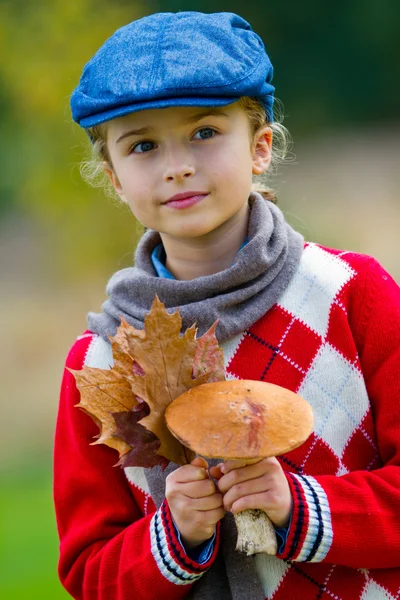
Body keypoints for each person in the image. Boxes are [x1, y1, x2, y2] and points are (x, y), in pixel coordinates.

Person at [54, 11, 400, 600]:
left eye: (205, 133)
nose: (177, 165)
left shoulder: (348, 293)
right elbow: (89, 575)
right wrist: (176, 535)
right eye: (142, 145)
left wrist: (300, 505)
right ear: (114, 178)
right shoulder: (100, 363)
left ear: (261, 147)